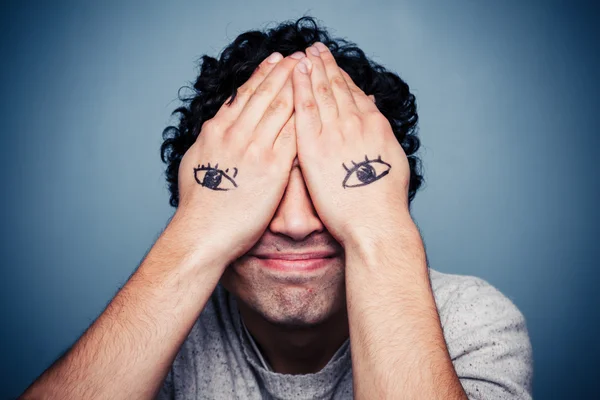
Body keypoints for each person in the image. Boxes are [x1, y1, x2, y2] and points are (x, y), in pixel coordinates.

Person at [19, 17, 533, 400]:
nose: (294, 223)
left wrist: (379, 231)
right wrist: (195, 235)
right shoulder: (157, 332)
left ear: (388, 193)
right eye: (263, 186)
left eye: (324, 181)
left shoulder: (470, 320)